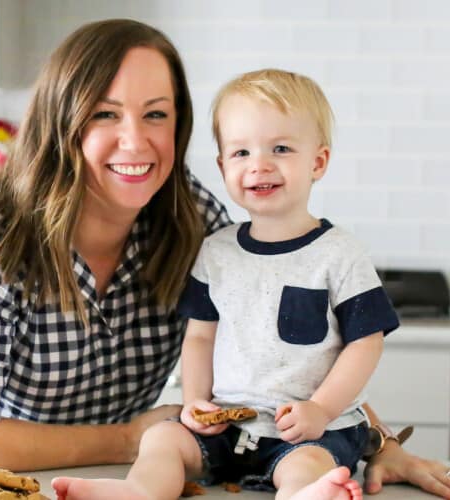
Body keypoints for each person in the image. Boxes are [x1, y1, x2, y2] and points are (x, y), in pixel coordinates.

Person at [0, 18, 450, 500]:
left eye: (156, 114)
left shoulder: (193, 223)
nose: (136, 141)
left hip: (110, 472)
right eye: (105, 113)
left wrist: (374, 441)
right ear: (61, 122)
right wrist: (134, 437)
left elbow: (294, 351)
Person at [51, 68, 398, 500]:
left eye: (282, 148)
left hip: (309, 432)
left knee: (307, 467)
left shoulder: (339, 254)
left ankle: (304, 495)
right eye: (241, 153)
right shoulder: (216, 251)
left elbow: (366, 343)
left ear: (318, 162)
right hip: (229, 430)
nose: (259, 165)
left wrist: (321, 409)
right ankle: (139, 491)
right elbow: (200, 337)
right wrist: (197, 400)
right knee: (161, 439)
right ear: (222, 166)